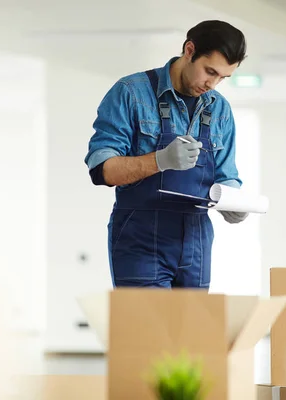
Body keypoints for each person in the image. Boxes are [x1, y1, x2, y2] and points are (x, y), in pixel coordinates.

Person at [84, 20, 249, 289]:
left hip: (195, 242)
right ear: (189, 50)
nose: (213, 84)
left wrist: (234, 203)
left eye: (223, 77)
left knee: (191, 331)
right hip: (140, 241)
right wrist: (160, 160)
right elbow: (102, 170)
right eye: (210, 71)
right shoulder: (130, 93)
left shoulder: (220, 109)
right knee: (147, 330)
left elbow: (226, 175)